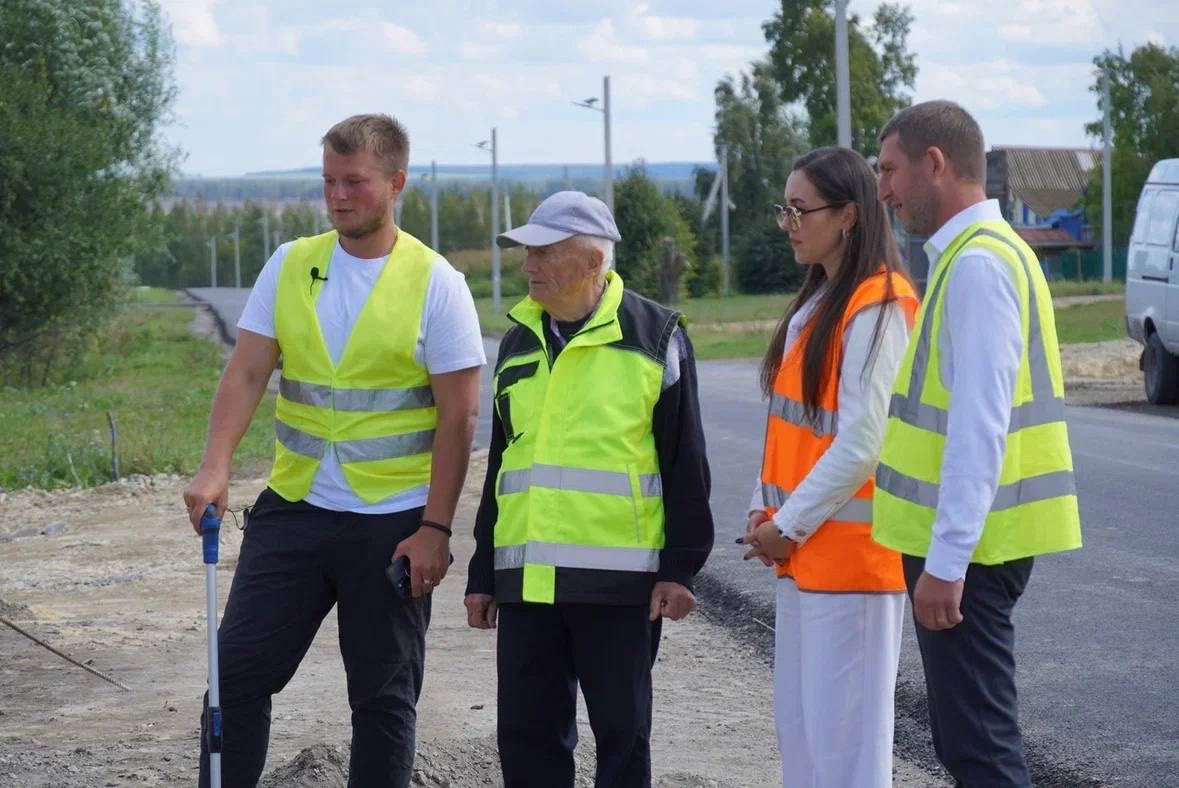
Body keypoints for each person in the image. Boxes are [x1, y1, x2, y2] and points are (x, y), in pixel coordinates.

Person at [182, 113, 485, 787]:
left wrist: (435, 528)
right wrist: (215, 465)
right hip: (294, 506)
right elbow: (248, 372)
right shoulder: (291, 264)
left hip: (393, 523)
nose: (338, 195)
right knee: (233, 677)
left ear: (395, 183)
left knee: (381, 699)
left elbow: (459, 418)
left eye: (354, 181)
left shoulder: (436, 283)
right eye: (328, 181)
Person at [463, 191, 714, 788]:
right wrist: (482, 573)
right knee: (527, 741)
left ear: (594, 260)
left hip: (620, 589)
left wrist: (680, 569)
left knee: (623, 742)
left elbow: (686, 465)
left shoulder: (656, 338)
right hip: (527, 583)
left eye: (544, 253)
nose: (528, 267)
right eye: (527, 253)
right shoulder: (518, 341)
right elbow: (503, 462)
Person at [873, 100, 1083, 787]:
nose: (882, 190)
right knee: (966, 740)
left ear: (935, 164)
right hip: (980, 545)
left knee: (979, 750)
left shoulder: (976, 266)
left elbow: (978, 423)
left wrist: (946, 559)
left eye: (890, 170)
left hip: (974, 550)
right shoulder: (976, 257)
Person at [739, 147, 918, 787]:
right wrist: (765, 510)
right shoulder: (818, 303)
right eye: (783, 207)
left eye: (800, 208)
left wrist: (788, 523)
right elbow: (794, 431)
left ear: (847, 215)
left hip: (854, 567)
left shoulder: (878, 305)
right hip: (807, 559)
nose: (787, 221)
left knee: (848, 757)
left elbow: (862, 441)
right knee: (807, 744)